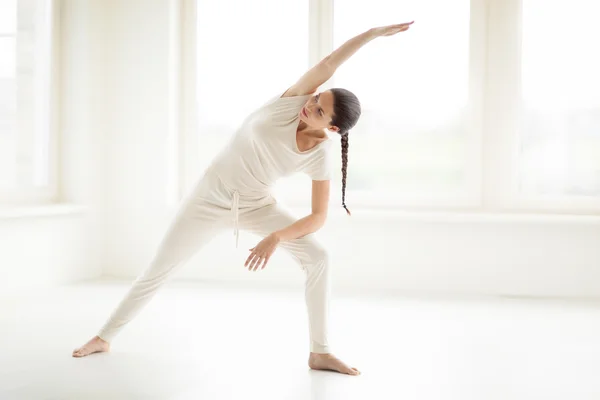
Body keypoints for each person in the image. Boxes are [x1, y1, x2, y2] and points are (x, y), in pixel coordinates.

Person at [73, 21, 414, 376]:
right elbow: (328, 63)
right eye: (315, 98)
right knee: (159, 269)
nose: (309, 105)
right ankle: (104, 337)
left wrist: (276, 237)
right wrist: (371, 35)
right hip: (209, 197)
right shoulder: (291, 103)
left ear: (331, 129)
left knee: (318, 256)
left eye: (318, 110)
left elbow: (317, 218)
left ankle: (320, 352)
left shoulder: (319, 156)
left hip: (256, 205)